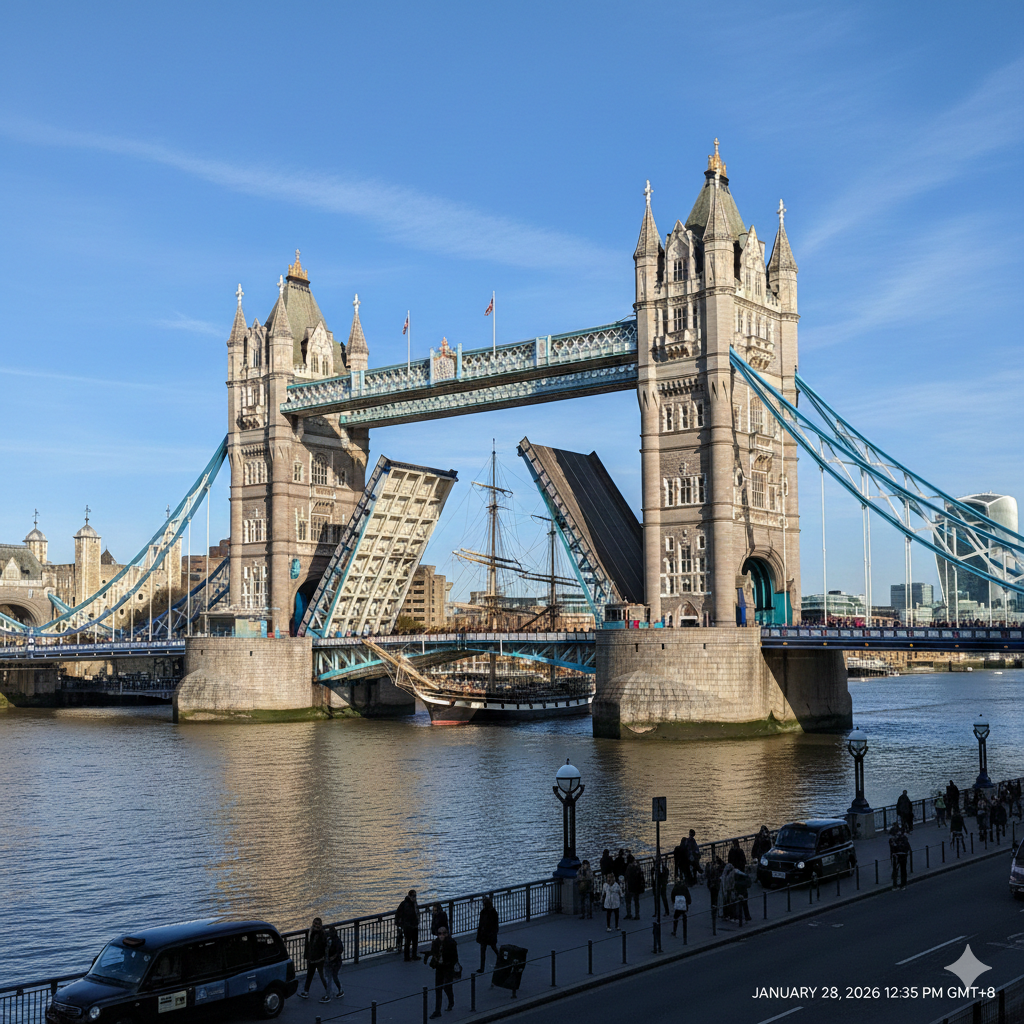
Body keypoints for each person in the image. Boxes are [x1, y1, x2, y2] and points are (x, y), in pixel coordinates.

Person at [425, 924, 459, 1019]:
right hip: (439, 967)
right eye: (440, 933)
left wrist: (449, 964)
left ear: (447, 933)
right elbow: (433, 953)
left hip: (448, 968)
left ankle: (451, 1001)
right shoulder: (435, 943)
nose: (441, 935)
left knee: (447, 986)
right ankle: (437, 1010)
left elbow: (455, 957)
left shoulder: (451, 943)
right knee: (438, 989)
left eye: (443, 933)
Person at [299, 917, 330, 1003]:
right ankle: (306, 991)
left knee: (322, 976)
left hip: (319, 959)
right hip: (312, 958)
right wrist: (307, 956)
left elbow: (322, 946)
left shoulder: (321, 934)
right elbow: (308, 945)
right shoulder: (311, 932)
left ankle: (328, 992)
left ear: (321, 925)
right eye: (315, 923)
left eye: (318, 924)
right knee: (309, 975)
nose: (316, 925)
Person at [475, 896, 499, 973]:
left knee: (487, 949)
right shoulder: (488, 912)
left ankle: (482, 968)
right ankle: (482, 968)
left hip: (487, 934)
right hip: (485, 935)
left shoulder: (489, 912)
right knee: (487, 949)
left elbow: (482, 924)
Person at [396, 890, 420, 962]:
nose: (414, 897)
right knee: (408, 942)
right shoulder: (405, 904)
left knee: (414, 941)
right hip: (408, 926)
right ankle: (407, 957)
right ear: (409, 896)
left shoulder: (414, 903)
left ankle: (413, 955)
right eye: (413, 896)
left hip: (414, 925)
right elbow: (398, 914)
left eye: (415, 896)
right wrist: (402, 924)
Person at [624, 856, 644, 920]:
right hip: (637, 887)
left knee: (628, 901)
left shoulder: (628, 868)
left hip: (630, 887)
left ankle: (629, 914)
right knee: (636, 901)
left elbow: (626, 878)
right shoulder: (637, 867)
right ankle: (637, 915)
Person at [326, 926, 344, 998]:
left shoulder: (335, 941)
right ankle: (336, 990)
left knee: (333, 976)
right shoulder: (336, 940)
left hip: (336, 961)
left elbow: (339, 950)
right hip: (334, 961)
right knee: (332, 976)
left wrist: (333, 957)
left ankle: (337, 990)